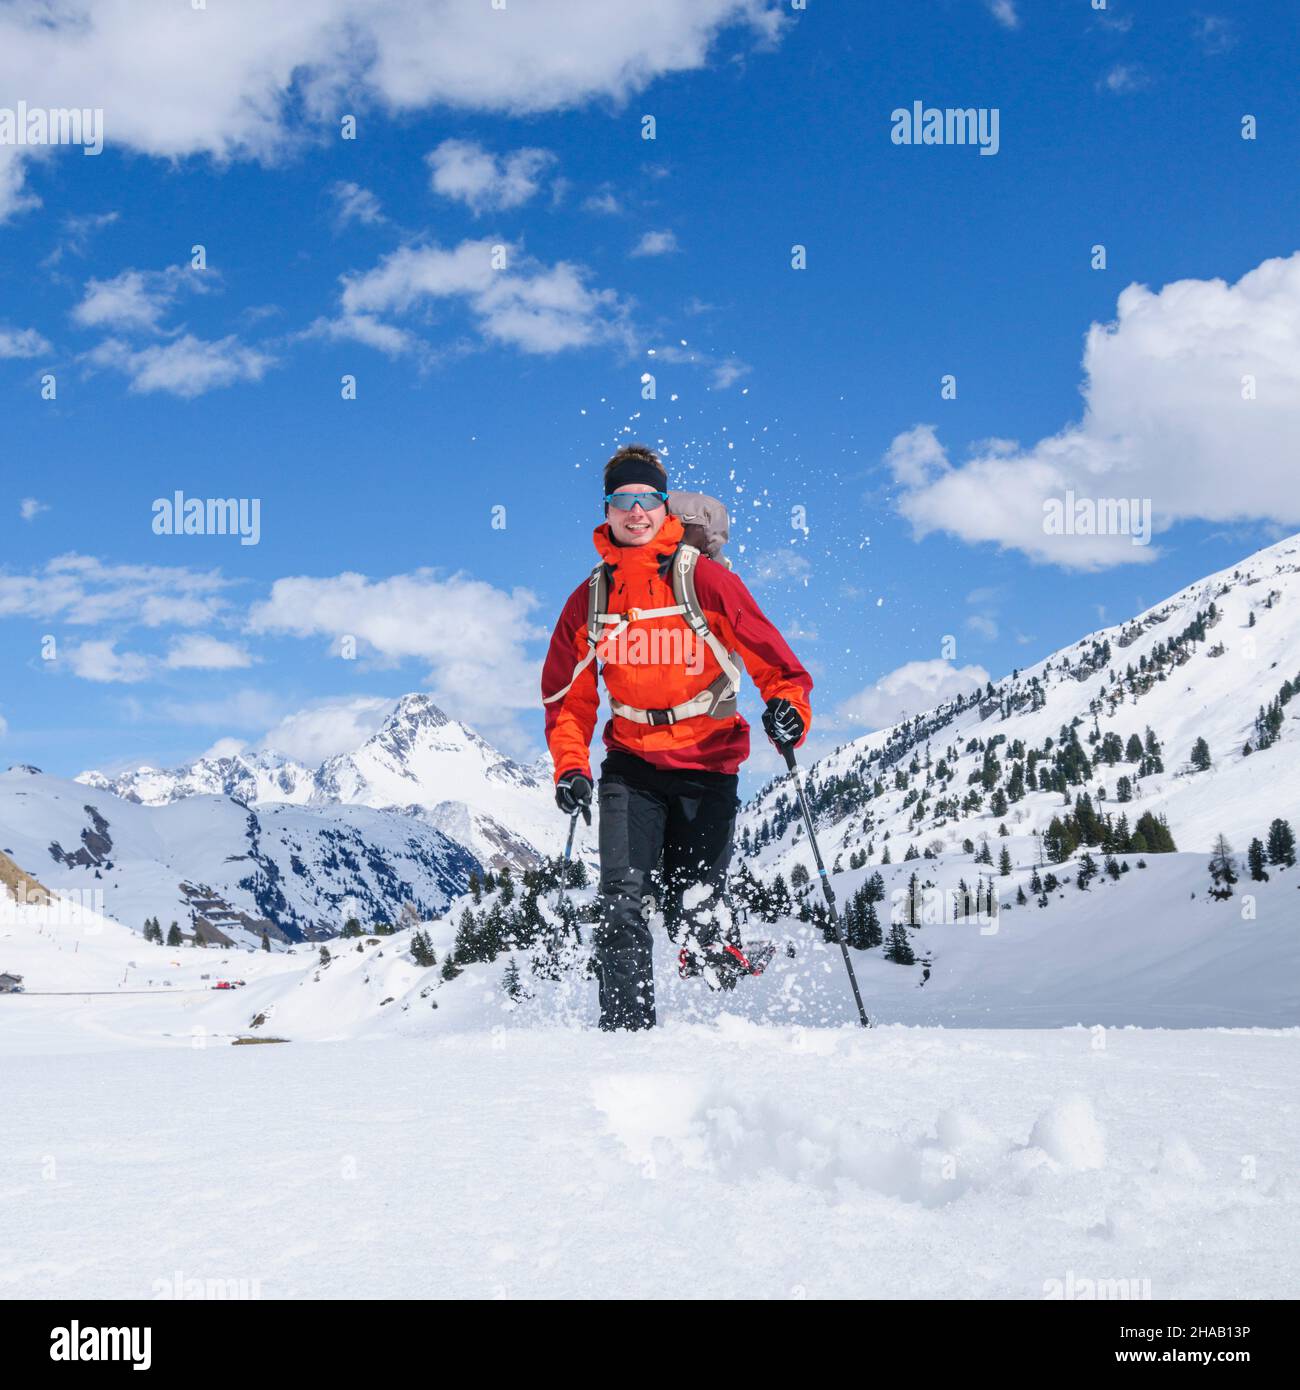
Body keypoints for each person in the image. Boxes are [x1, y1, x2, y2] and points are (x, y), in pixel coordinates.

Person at [540, 444, 812, 1031]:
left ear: (664, 506)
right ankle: (627, 1047)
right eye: (623, 499)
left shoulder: (705, 581)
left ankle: (716, 948)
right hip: (630, 767)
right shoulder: (590, 600)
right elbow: (569, 698)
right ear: (606, 508)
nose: (635, 511)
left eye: (647, 499)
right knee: (620, 905)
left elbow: (775, 662)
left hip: (708, 765)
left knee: (696, 905)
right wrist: (570, 767)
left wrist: (788, 707)